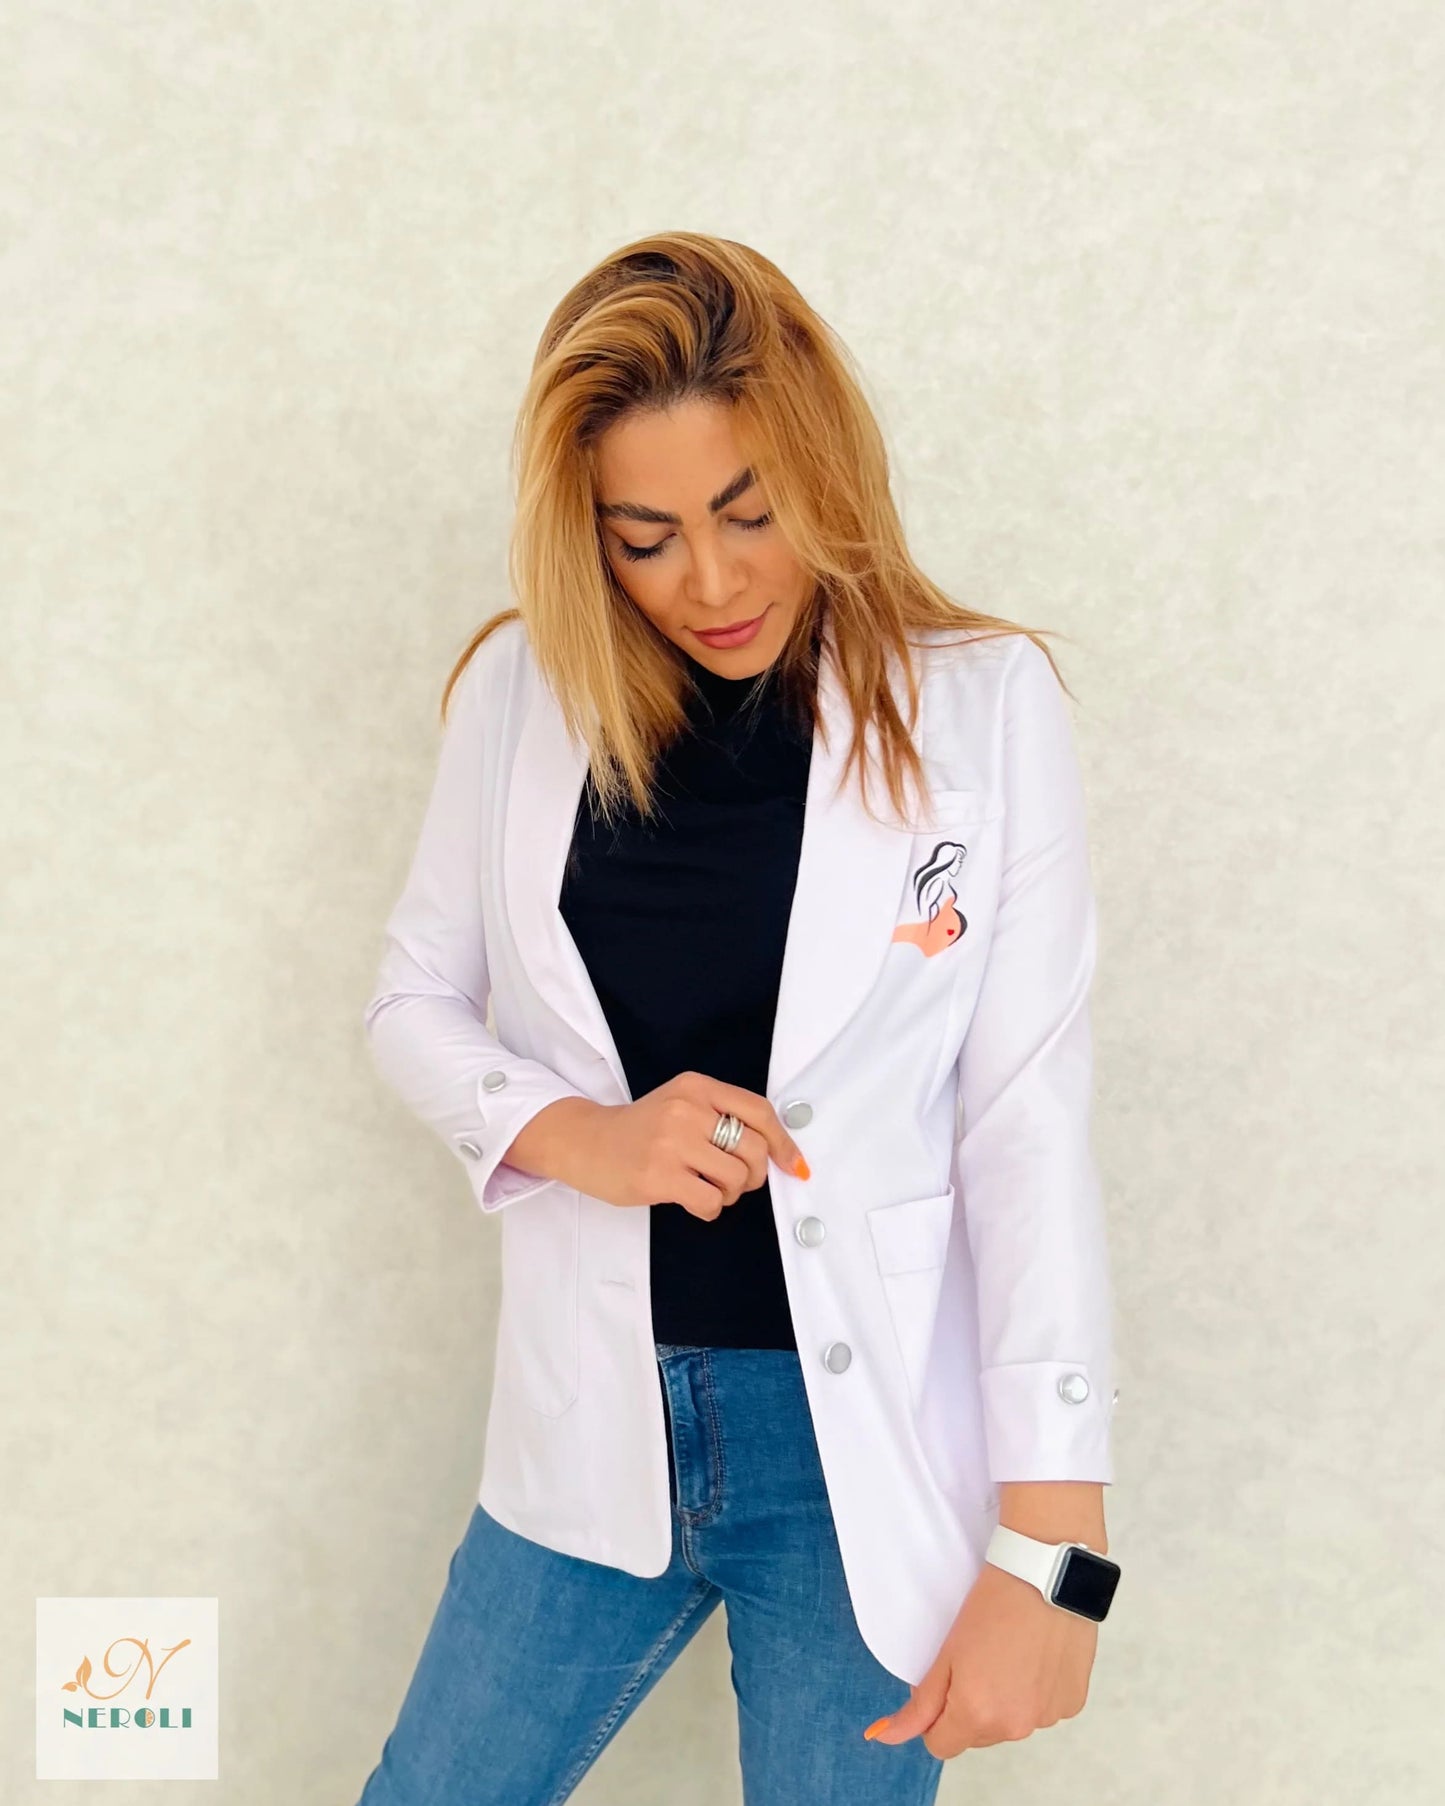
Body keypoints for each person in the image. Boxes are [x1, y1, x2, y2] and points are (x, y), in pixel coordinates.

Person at [353, 231, 1119, 1805]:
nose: (707, 581)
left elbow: (1023, 1117)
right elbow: (412, 1003)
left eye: (745, 513)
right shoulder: (521, 695)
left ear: (819, 468)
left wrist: (1056, 1550)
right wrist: (579, 1134)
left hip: (856, 1461)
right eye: (642, 536)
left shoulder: (982, 707)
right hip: (586, 1433)